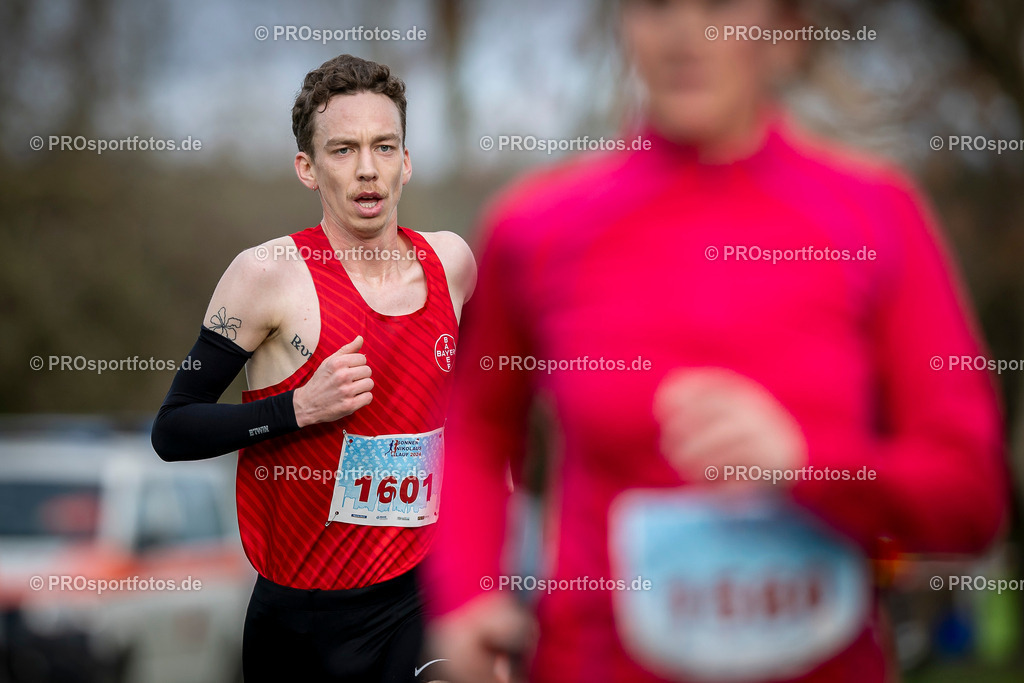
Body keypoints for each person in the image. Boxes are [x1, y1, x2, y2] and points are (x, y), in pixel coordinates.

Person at [424, 1, 1008, 681]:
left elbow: (972, 494)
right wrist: (466, 595)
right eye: (655, 6)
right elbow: (476, 427)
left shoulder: (877, 215)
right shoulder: (534, 229)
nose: (684, 34)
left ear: (784, 29)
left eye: (719, 5)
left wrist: (808, 467)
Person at [151, 53, 475, 682]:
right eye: (343, 149)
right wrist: (297, 407)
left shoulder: (453, 265)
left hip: (421, 596)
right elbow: (173, 428)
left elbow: (482, 397)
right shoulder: (265, 276)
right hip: (301, 620)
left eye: (384, 147)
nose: (366, 170)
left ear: (406, 161)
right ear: (308, 168)